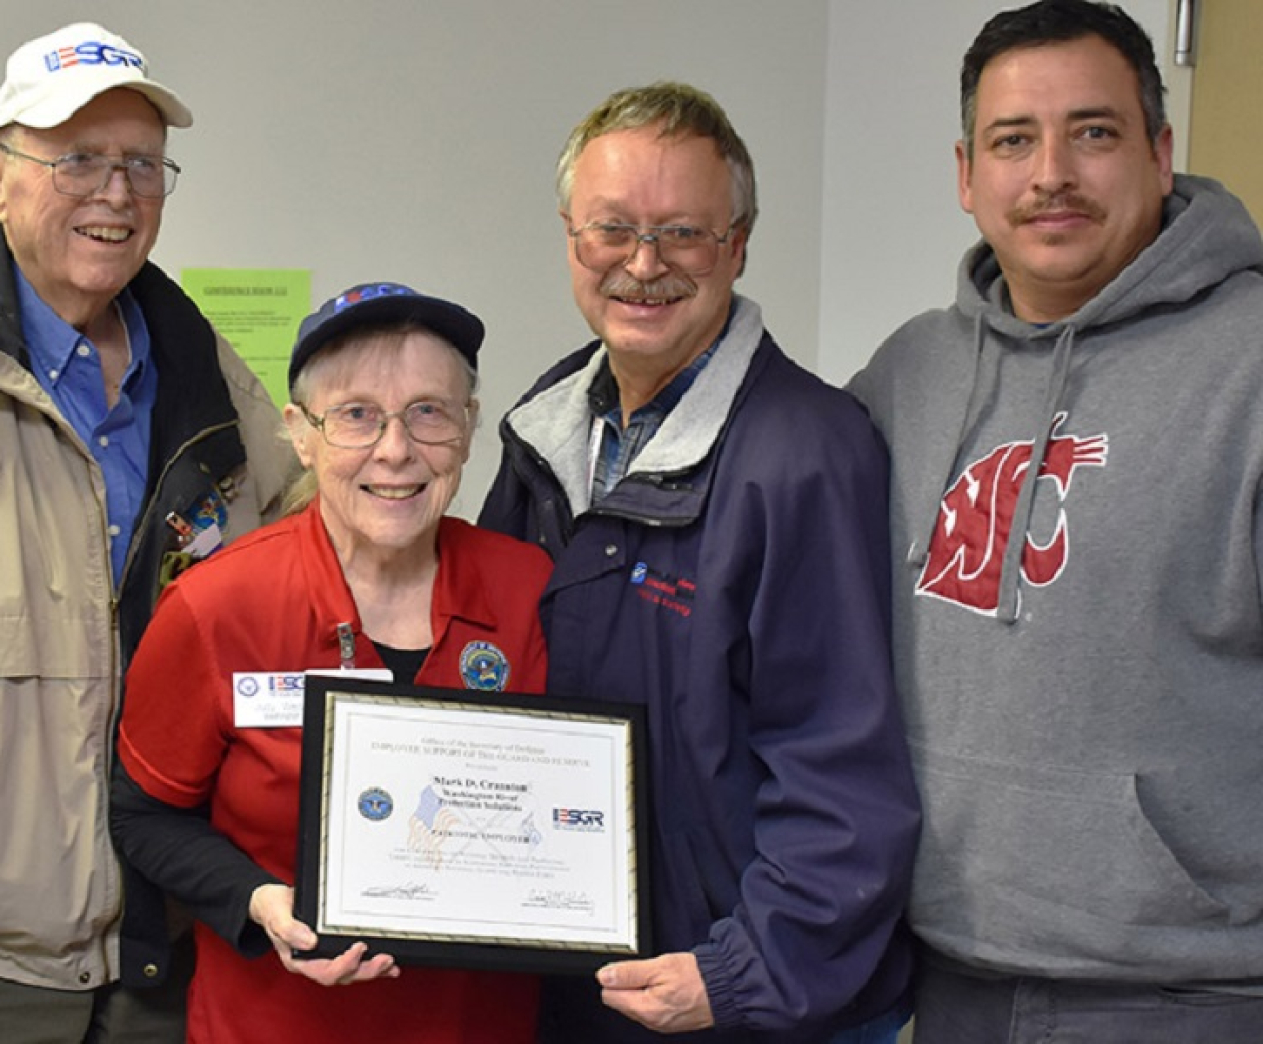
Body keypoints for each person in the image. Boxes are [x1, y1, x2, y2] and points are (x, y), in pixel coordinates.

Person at [849, 1, 1263, 1040]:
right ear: (965, 173)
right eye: (1013, 140)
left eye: (1094, 131)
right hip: (945, 981)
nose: (1051, 175)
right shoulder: (910, 374)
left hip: (1193, 998)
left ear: (1161, 152)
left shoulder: (1250, 368)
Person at [479, 82, 919, 1043]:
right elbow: (492, 674)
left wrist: (743, 973)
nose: (643, 266)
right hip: (587, 979)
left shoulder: (808, 456)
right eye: (612, 230)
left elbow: (843, 770)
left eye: (682, 232)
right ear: (569, 238)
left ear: (738, 244)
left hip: (745, 1001)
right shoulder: (547, 420)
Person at [0, 21, 297, 1044]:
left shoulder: (206, 369)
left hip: (180, 942)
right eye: (77, 159)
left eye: (141, 164)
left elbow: (325, 556)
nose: (116, 193)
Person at [110, 281, 554, 1043]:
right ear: (300, 434)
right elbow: (143, 813)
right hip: (276, 1023)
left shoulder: (530, 589)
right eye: (356, 415)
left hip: (479, 1024)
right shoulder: (215, 605)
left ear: (470, 428)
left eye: (429, 411)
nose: (395, 449)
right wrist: (255, 899)